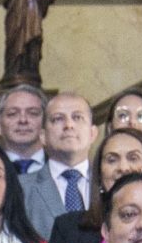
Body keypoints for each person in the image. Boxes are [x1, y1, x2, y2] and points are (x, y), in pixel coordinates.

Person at [48, 128, 142, 243]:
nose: (123, 167)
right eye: (112, 160)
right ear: (99, 173)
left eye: (133, 158)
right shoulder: (67, 228)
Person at [20, 90, 99, 235]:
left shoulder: (108, 184)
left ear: (93, 133)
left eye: (77, 117)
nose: (69, 125)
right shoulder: (20, 189)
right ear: (43, 136)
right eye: (58, 119)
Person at [0, 83, 48, 174]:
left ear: (46, 123)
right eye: (13, 114)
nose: (23, 120)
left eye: (33, 113)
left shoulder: (63, 166)